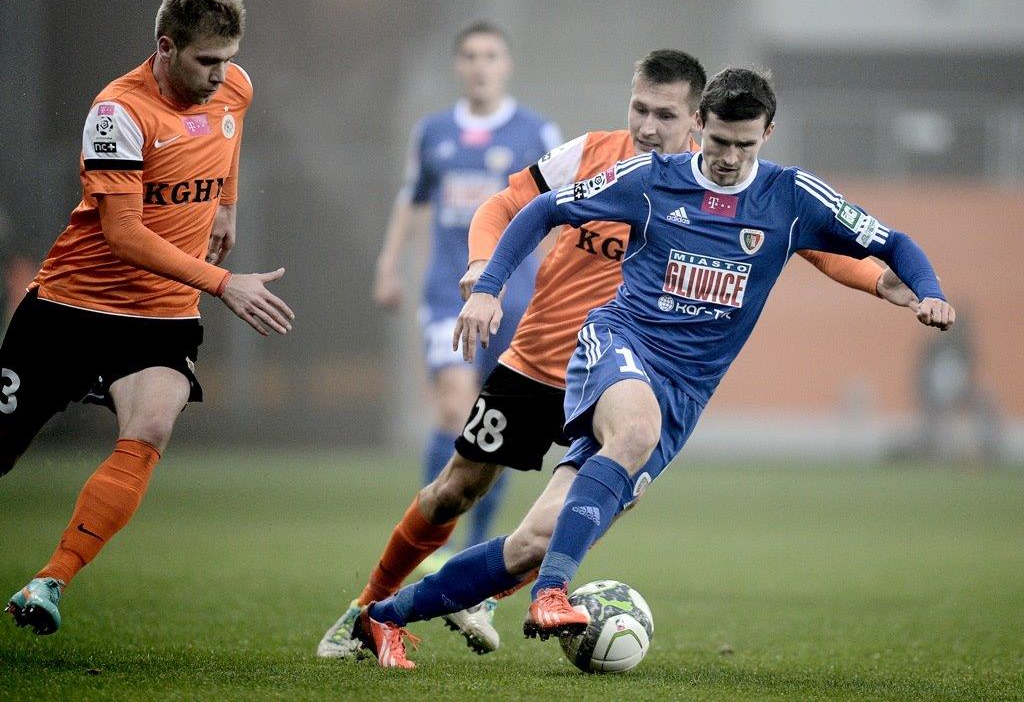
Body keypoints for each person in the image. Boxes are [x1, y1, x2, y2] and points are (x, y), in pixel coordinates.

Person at [318, 52, 919, 664]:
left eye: (665, 115)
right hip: (542, 363)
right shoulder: (593, 157)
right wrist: (482, 270)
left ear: (696, 121)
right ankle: (367, 607)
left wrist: (882, 282)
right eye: (639, 109)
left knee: (567, 520)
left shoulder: (727, 186)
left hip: (639, 379)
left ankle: (488, 595)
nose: (647, 126)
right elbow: (507, 206)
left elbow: (813, 244)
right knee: (454, 490)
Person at [2, 0, 294, 636]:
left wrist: (226, 205)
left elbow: (229, 132)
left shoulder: (234, 87)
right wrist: (223, 283)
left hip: (161, 315)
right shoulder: (118, 112)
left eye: (229, 59)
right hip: (72, 307)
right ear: (166, 48)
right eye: (206, 61)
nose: (221, 75)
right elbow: (123, 234)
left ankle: (51, 580)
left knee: (151, 429)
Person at [372, 24, 561, 564]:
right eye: (471, 56)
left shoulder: (537, 133)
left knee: (497, 423)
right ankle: (440, 539)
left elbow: (566, 209)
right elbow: (411, 200)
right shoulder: (432, 132)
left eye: (491, 55)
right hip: (447, 294)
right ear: (458, 65)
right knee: (455, 407)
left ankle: (475, 540)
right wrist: (388, 265)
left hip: (517, 300)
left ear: (507, 65)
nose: (480, 65)